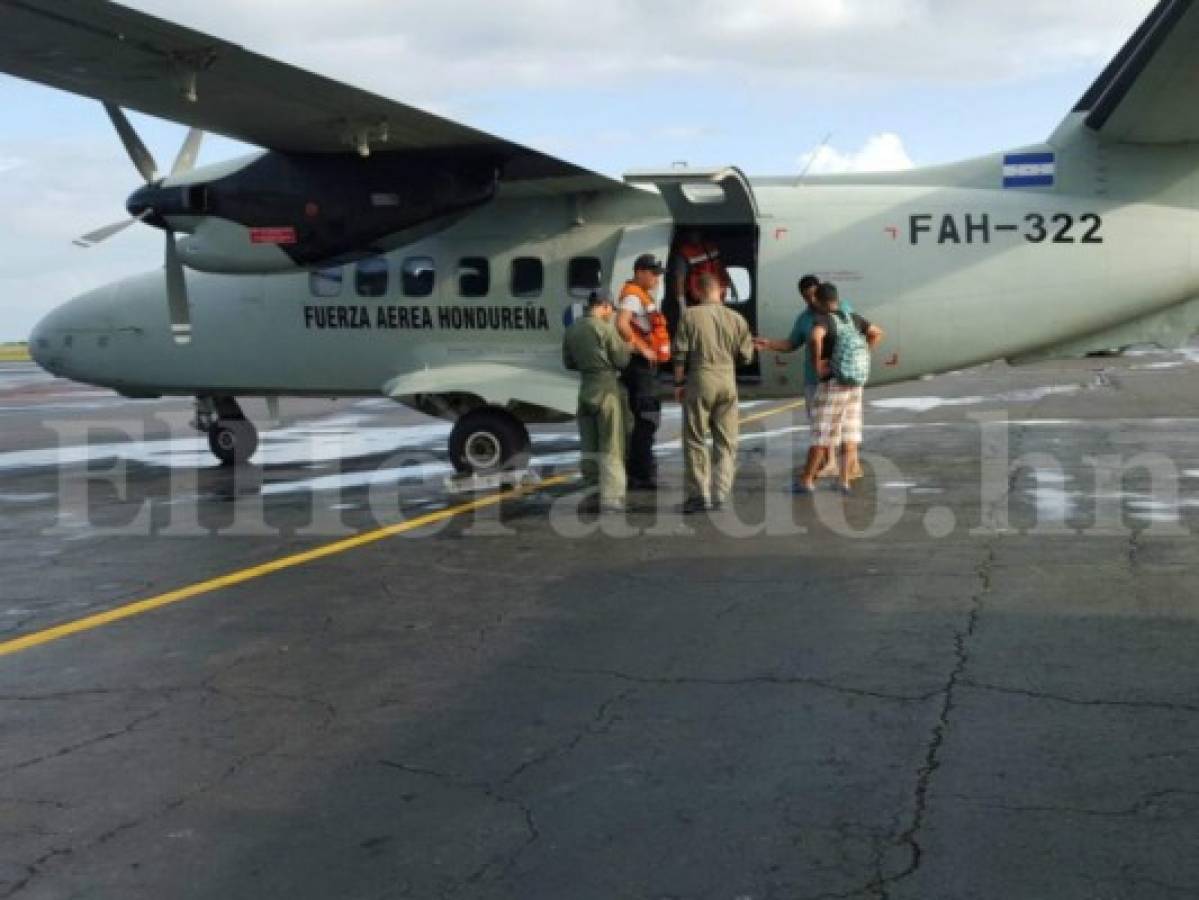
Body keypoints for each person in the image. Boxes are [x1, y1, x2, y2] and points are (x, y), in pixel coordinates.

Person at [754, 274, 859, 480]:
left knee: (846, 424)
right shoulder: (804, 319)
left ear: (820, 293)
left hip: (841, 377)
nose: (810, 300)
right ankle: (831, 463)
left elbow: (855, 334)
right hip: (814, 380)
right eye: (806, 297)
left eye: (813, 295)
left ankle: (847, 466)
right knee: (820, 424)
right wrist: (768, 344)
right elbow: (791, 343)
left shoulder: (842, 311)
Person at [672, 273, 756, 513]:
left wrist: (678, 384)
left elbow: (680, 355)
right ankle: (721, 493)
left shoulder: (690, 315)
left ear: (698, 291)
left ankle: (699, 495)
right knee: (726, 441)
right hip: (727, 379)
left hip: (700, 378)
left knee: (696, 438)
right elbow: (746, 357)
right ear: (720, 291)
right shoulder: (737, 318)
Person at [794, 283, 885, 496]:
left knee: (821, 434)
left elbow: (816, 337)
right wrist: (864, 354)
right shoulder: (853, 318)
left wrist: (818, 363)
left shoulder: (824, 320)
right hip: (854, 384)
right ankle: (843, 481)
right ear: (836, 298)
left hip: (833, 384)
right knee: (849, 432)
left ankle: (807, 480)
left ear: (817, 299)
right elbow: (877, 333)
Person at [562, 287, 631, 512]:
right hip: (606, 388)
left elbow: (568, 363)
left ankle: (592, 493)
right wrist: (627, 348)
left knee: (589, 444)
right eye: (610, 308)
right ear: (604, 305)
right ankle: (611, 498)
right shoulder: (605, 329)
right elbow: (621, 360)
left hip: (585, 389)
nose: (611, 313)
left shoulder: (572, 329)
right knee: (611, 443)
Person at [616, 254, 668, 490]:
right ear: (640, 272)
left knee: (646, 419)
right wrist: (643, 349)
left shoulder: (642, 295)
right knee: (646, 419)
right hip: (639, 367)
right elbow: (622, 323)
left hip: (645, 367)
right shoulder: (632, 297)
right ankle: (640, 475)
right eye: (653, 272)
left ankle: (641, 471)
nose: (657, 277)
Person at [674, 229, 731, 308]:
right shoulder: (683, 254)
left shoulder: (712, 247)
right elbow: (679, 281)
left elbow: (722, 271)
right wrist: (682, 306)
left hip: (717, 297)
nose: (695, 234)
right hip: (699, 300)